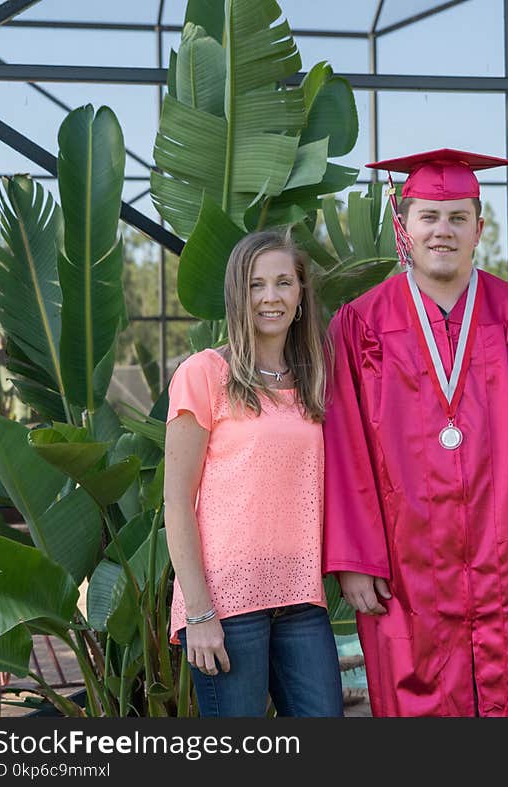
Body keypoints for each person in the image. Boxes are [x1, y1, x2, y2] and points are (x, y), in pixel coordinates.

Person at [323, 148, 508, 717]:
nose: (444, 231)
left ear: (479, 228)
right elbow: (344, 449)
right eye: (430, 217)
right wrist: (355, 558)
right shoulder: (361, 325)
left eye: (458, 217)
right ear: (403, 225)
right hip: (404, 564)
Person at [164, 231, 343, 717]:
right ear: (236, 295)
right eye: (255, 284)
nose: (270, 297)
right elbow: (177, 502)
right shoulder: (204, 374)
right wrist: (199, 613)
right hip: (226, 605)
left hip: (302, 600)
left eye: (284, 282)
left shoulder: (316, 379)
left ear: (301, 294)